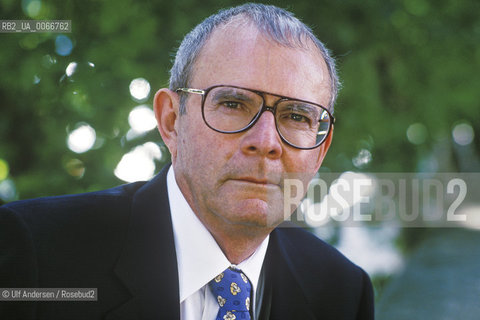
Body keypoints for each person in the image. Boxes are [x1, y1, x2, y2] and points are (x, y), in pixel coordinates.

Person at [0, 3, 374, 320]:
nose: (266, 142)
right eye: (232, 104)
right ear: (171, 121)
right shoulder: (37, 255)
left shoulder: (341, 292)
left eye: (296, 116)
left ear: (320, 150)